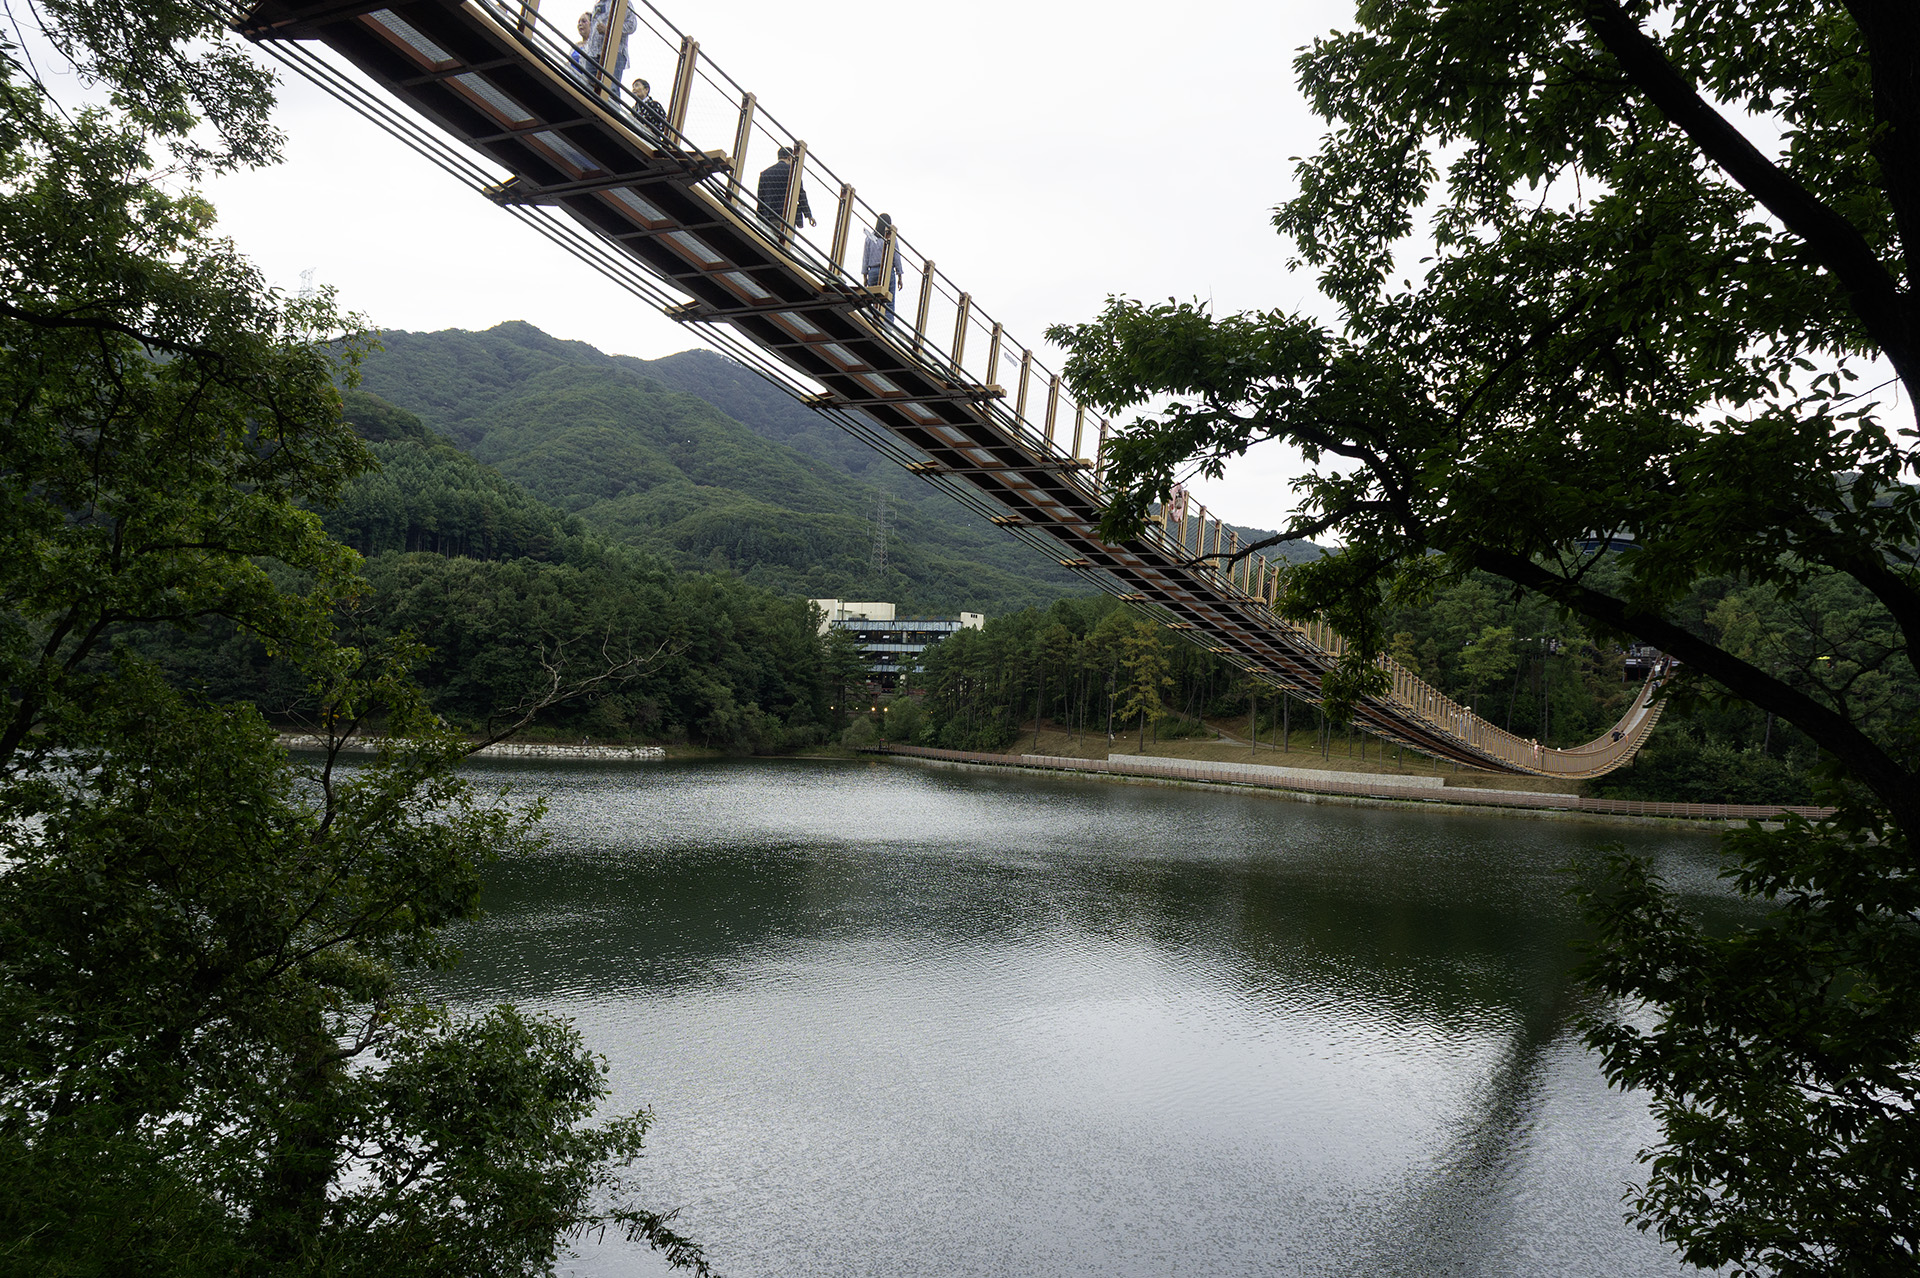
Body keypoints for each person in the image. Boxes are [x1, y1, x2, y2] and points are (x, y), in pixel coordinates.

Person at [754, 147, 814, 231]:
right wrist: (808, 215)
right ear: (789, 158)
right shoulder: (793, 173)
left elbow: (761, 198)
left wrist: (759, 218)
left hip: (769, 216)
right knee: (785, 238)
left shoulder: (765, 174)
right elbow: (801, 195)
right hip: (787, 216)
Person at [584, 0, 637, 88]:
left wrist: (609, 30)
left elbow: (632, 25)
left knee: (611, 87)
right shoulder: (598, 4)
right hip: (593, 53)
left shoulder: (623, 3)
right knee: (589, 85)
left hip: (614, 52)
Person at [861, 212, 902, 320]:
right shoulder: (891, 239)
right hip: (887, 272)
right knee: (889, 303)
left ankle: (870, 322)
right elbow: (896, 257)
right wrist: (899, 275)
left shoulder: (869, 238)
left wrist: (865, 275)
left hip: (873, 271)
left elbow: (865, 257)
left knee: (871, 300)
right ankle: (887, 326)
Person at [630, 76, 668, 141]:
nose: (634, 89)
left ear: (646, 90)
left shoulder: (654, 105)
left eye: (637, 85)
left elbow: (665, 123)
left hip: (650, 139)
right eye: (633, 87)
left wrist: (652, 129)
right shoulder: (634, 109)